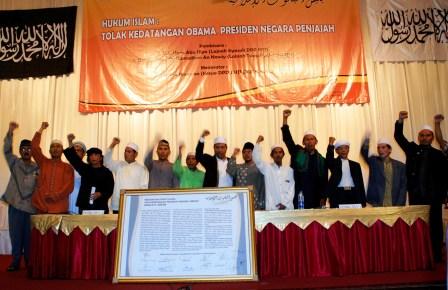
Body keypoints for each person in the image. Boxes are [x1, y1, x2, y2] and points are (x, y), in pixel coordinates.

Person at [394, 111, 447, 262]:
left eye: (428, 135)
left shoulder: (439, 155)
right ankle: (418, 255)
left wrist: (444, 196)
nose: (424, 138)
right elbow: (399, 137)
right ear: (418, 137)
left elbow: (444, 177)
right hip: (416, 196)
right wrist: (400, 121)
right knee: (417, 226)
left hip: (434, 198)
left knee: (435, 227)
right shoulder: (412, 149)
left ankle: (436, 255)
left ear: (431, 138)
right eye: (422, 135)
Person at [1, 122, 39, 271]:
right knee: (15, 235)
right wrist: (10, 131)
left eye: (29, 149)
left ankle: (29, 262)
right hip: (15, 206)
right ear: (20, 151)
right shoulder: (15, 163)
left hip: (31, 207)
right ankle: (15, 261)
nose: (26, 151)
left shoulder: (38, 167)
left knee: (29, 237)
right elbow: (6, 150)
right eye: (23, 149)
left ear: (32, 151)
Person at [281, 109, 327, 208]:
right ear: (303, 142)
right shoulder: (297, 152)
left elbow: (324, 180)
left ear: (316, 141)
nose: (310, 142)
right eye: (307, 139)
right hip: (299, 194)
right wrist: (285, 119)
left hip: (316, 197)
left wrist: (324, 197)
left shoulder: (322, 160)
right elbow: (287, 139)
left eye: (312, 139)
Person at [31, 122, 74, 214]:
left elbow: (68, 187)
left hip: (60, 208)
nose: (55, 149)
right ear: (49, 150)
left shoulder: (67, 167)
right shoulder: (43, 162)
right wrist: (41, 129)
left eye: (58, 146)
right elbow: (34, 148)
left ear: (62, 150)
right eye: (53, 147)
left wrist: (55, 196)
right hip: (41, 206)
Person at [64, 141, 114, 214]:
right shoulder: (85, 169)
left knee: (100, 225)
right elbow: (74, 159)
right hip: (84, 206)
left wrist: (101, 194)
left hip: (100, 206)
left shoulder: (107, 172)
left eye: (96, 155)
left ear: (100, 158)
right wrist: (70, 142)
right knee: (83, 225)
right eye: (91, 155)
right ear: (88, 158)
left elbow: (110, 190)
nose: (93, 157)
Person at [360, 133, 407, 206]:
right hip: (377, 203)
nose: (380, 150)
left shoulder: (400, 166)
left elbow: (403, 186)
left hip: (395, 203)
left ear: (390, 149)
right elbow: (364, 153)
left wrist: (400, 203)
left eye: (383, 147)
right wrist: (366, 141)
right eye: (378, 148)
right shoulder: (374, 161)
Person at [104, 137, 148, 213]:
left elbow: (144, 187)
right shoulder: (118, 165)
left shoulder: (142, 169)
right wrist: (113, 145)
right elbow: (106, 161)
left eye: (129, 151)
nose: (125, 153)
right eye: (125, 151)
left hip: (134, 204)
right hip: (118, 203)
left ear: (135, 154)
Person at [253, 135, 294, 211]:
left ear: (283, 154)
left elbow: (291, 189)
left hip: (287, 208)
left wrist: (285, 203)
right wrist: (257, 143)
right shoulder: (267, 168)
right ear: (271, 155)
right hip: (272, 208)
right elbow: (257, 160)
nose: (278, 155)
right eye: (275, 152)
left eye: (280, 152)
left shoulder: (289, 170)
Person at [326, 137, 366, 208]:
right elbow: (329, 159)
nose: (343, 150)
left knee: (353, 217)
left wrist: (363, 201)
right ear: (336, 151)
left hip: (353, 193)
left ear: (348, 149)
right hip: (338, 194)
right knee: (338, 217)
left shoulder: (356, 165)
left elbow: (360, 183)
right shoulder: (335, 163)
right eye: (340, 148)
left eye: (345, 148)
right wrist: (331, 145)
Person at [227, 142, 265, 210]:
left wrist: (262, 204)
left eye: (249, 152)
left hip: (254, 201)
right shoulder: (239, 167)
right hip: (239, 201)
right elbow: (230, 170)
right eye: (244, 152)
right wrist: (234, 155)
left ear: (254, 153)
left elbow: (262, 187)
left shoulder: (260, 168)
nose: (246, 154)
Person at [66, 134, 86, 214]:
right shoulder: (65, 167)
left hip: (80, 203)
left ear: (83, 154)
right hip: (65, 202)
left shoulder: (86, 168)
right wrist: (70, 141)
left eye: (79, 150)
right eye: (75, 150)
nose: (76, 152)